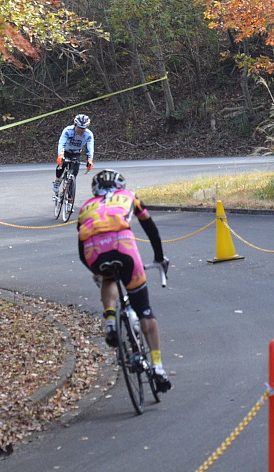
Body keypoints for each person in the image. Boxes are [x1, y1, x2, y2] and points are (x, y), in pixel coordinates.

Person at [76, 169, 172, 392]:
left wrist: (95, 271)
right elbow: (151, 230)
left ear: (95, 189)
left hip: (94, 252)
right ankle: (157, 367)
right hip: (123, 246)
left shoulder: (85, 207)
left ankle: (110, 319)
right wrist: (158, 258)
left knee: (108, 277)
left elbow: (81, 248)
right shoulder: (130, 196)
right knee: (144, 310)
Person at [54, 113, 94, 199]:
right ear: (75, 125)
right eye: (79, 128)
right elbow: (61, 143)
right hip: (66, 152)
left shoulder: (89, 135)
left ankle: (70, 197)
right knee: (61, 166)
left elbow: (90, 148)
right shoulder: (68, 130)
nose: (81, 130)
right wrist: (60, 155)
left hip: (76, 153)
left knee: (74, 174)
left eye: (83, 128)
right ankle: (57, 180)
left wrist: (90, 160)